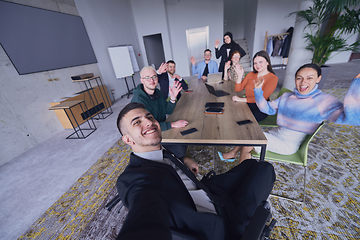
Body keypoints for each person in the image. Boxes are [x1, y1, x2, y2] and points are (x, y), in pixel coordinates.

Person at [115, 102, 276, 240]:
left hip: (210, 191)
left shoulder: (159, 148)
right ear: (128, 139)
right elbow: (145, 206)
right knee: (266, 170)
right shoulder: (133, 178)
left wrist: (184, 161)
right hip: (218, 224)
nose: (148, 122)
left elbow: (165, 163)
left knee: (254, 165)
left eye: (149, 117)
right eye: (137, 122)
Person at [220, 63, 360, 163]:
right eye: (299, 78)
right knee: (248, 132)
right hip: (276, 134)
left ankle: (240, 178)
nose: (303, 82)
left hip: (288, 144)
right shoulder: (288, 96)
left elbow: (351, 117)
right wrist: (257, 91)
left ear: (318, 79)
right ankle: (233, 155)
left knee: (248, 142)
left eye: (310, 78)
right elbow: (266, 109)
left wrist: (357, 86)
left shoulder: (323, 101)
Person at [131, 66, 188, 157]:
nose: (152, 80)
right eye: (147, 78)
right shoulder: (139, 100)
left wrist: (173, 98)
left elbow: (167, 110)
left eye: (154, 77)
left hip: (159, 128)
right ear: (142, 80)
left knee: (184, 138)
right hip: (148, 136)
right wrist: (172, 124)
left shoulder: (157, 92)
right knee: (180, 149)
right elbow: (148, 126)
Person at [232, 50, 278, 122]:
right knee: (233, 114)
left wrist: (241, 99)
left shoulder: (273, 78)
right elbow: (238, 89)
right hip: (247, 104)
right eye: (255, 63)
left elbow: (263, 98)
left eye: (260, 62)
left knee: (242, 121)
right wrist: (239, 76)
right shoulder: (251, 74)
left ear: (267, 62)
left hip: (260, 108)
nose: (257, 65)